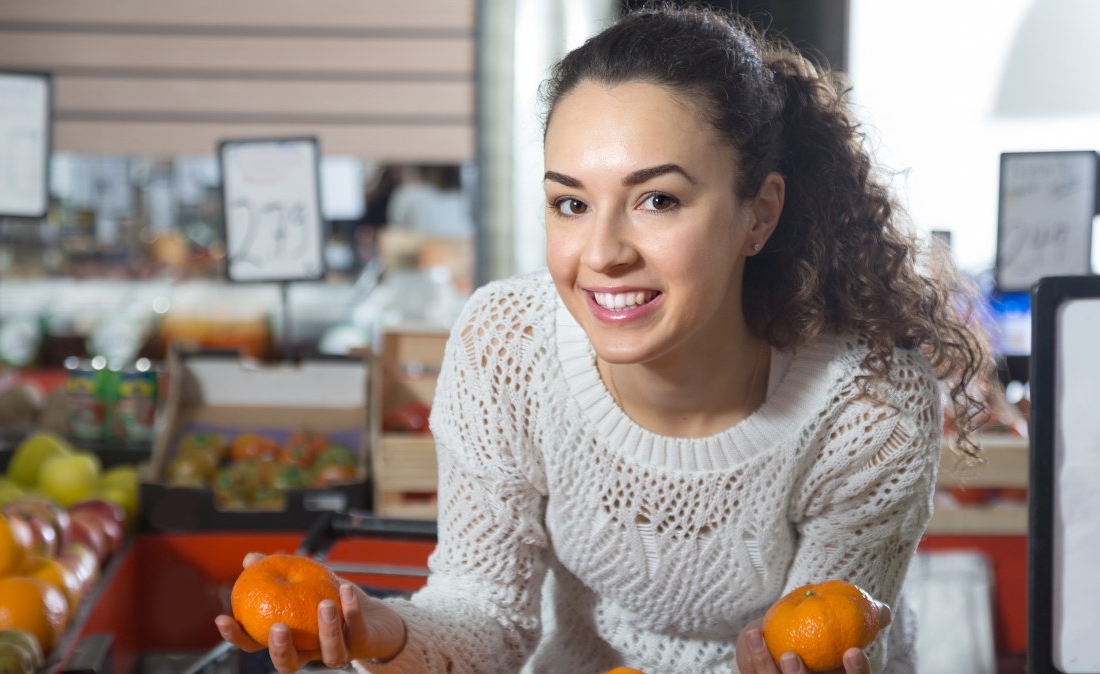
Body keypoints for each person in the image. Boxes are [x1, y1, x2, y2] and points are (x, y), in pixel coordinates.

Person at [215, 5, 991, 673]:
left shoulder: (869, 402)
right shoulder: (505, 348)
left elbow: (826, 634)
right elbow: (485, 617)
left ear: (759, 212)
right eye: (570, 204)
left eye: (657, 199)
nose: (603, 253)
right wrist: (373, 630)